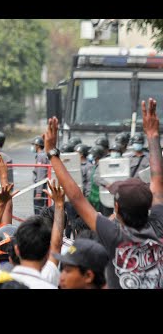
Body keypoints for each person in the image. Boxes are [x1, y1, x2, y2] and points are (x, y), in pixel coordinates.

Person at [43, 98, 163, 288]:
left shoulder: (114, 236)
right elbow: (157, 180)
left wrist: (51, 152)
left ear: (117, 208)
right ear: (149, 206)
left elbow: (76, 197)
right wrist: (153, 134)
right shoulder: (158, 227)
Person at [31, 136, 49, 215]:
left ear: (37, 146)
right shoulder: (42, 155)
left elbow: (41, 175)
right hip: (42, 186)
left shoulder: (41, 157)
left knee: (38, 209)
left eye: (34, 145)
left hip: (40, 187)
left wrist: (38, 191)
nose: (33, 147)